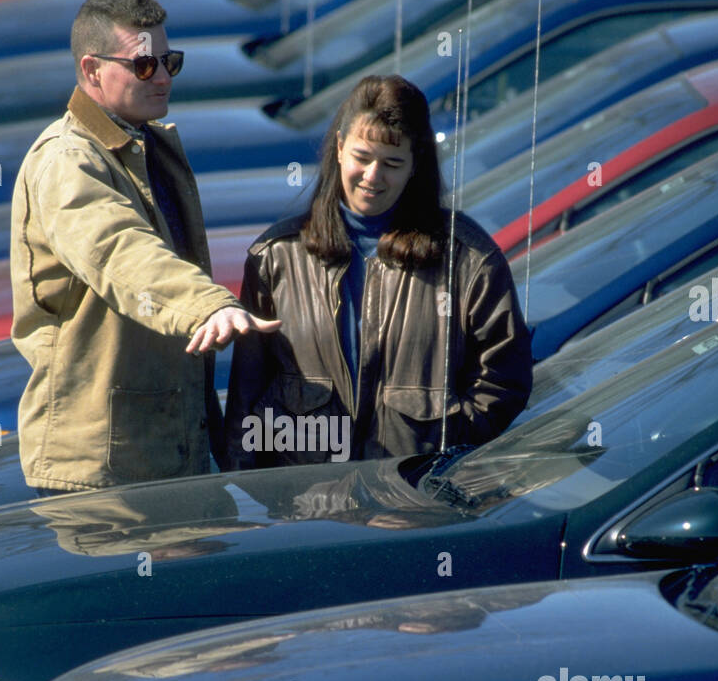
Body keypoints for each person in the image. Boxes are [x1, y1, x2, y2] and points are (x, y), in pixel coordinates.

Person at [10, 0, 279, 493]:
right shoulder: (68, 160)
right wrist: (206, 306)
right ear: (92, 70)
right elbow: (119, 250)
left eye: (169, 62)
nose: (162, 77)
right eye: (143, 65)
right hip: (99, 471)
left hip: (160, 452)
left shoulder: (146, 142)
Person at [224, 74, 532, 469]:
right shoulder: (276, 257)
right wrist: (252, 489)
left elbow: (503, 381)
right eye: (362, 157)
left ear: (415, 165)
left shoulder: (468, 259)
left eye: (392, 163)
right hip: (302, 499)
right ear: (339, 148)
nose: (372, 176)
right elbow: (247, 397)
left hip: (414, 498)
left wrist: (441, 454)